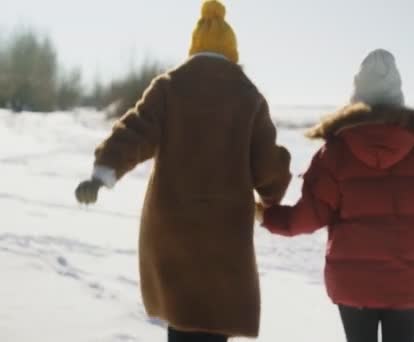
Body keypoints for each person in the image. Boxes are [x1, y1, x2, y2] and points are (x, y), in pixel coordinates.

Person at [75, 1, 291, 341]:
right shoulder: (248, 96)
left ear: (193, 50)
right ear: (232, 53)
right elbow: (267, 167)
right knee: (214, 321)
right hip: (225, 234)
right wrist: (272, 195)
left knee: (181, 318)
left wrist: (102, 173)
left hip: (172, 228)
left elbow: (135, 130)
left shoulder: (170, 86)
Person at [257, 49, 414, 342]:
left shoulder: (335, 154)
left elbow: (302, 219)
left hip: (353, 286)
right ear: (399, 100)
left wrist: (266, 215)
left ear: (356, 100)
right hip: (410, 286)